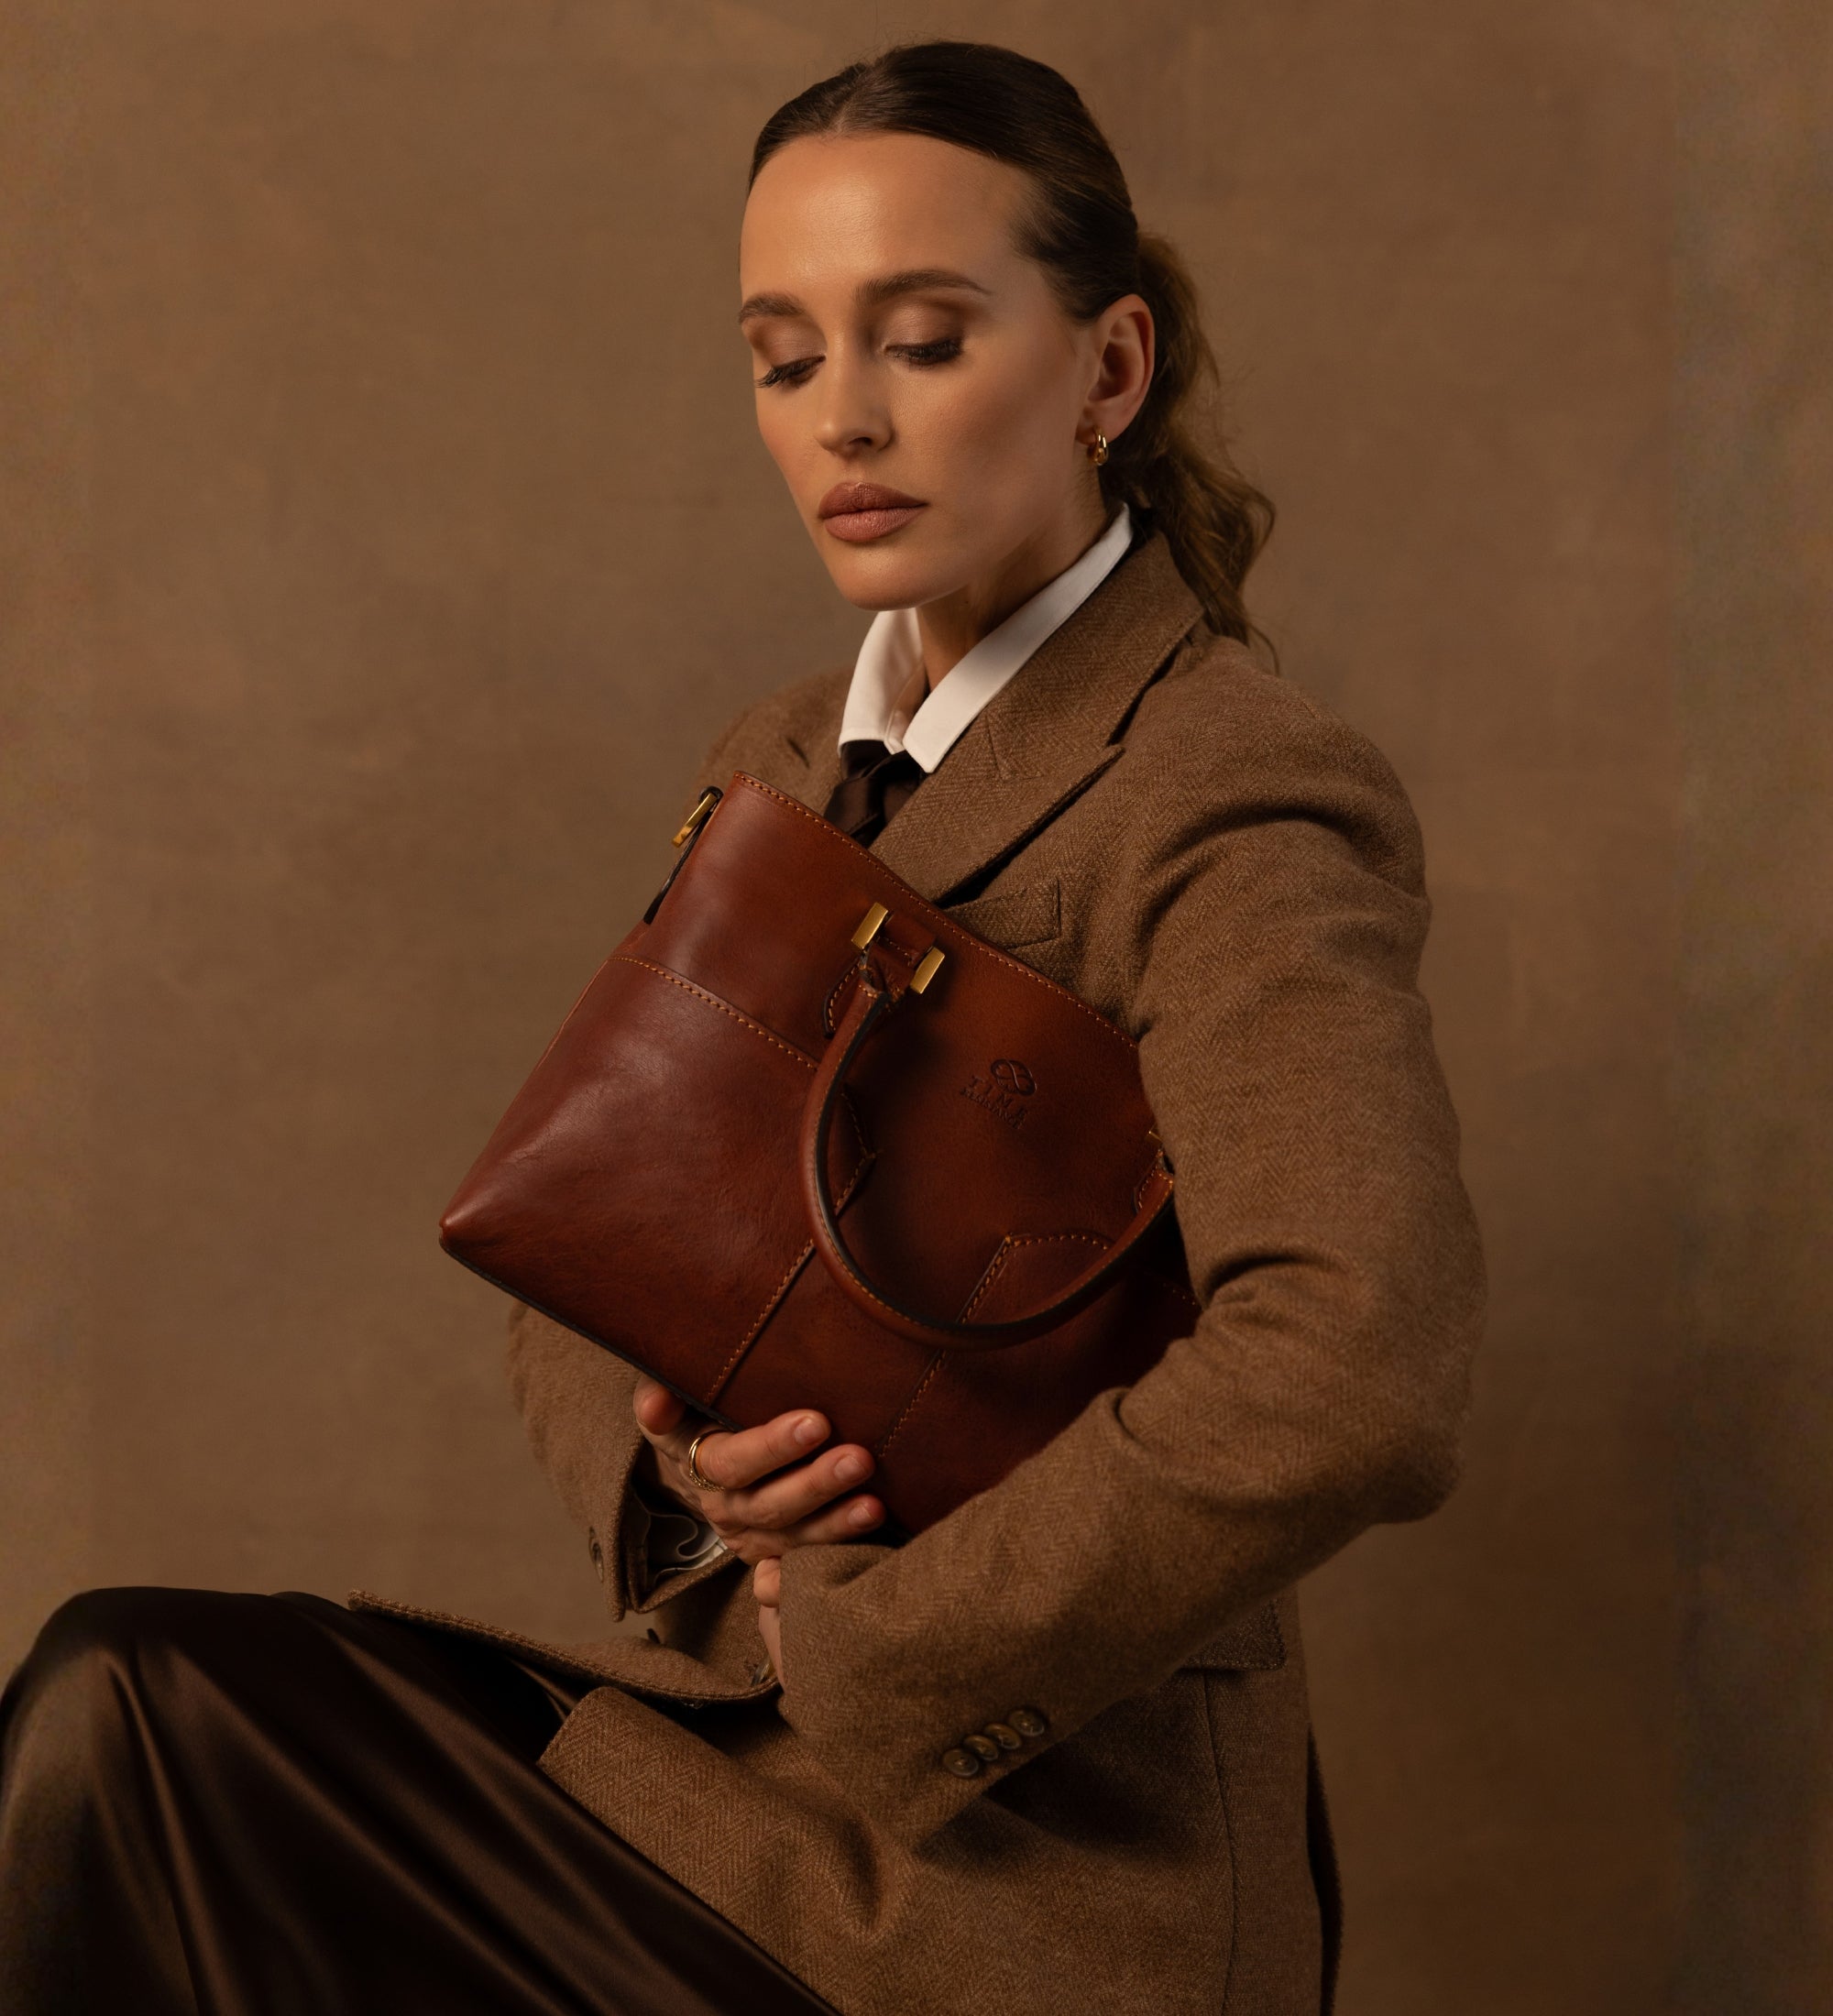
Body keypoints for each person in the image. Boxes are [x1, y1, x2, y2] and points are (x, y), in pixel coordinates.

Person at [0, 38, 1484, 2016]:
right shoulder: (777, 758)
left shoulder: (1227, 784)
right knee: (129, 1725)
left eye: (924, 341)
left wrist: (878, 1646)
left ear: (1110, 369)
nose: (843, 416)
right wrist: (694, 1467)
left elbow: (1359, 1360)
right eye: (785, 360)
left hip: (1030, 1883)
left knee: (131, 1719)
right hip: (704, 1772)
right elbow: (582, 1235)